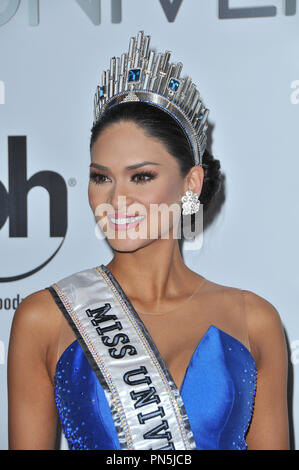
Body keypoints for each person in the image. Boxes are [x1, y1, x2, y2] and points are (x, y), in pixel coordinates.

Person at [7, 31, 289, 451]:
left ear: (190, 182)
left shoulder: (254, 321)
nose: (116, 199)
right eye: (101, 177)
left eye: (142, 176)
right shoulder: (45, 319)